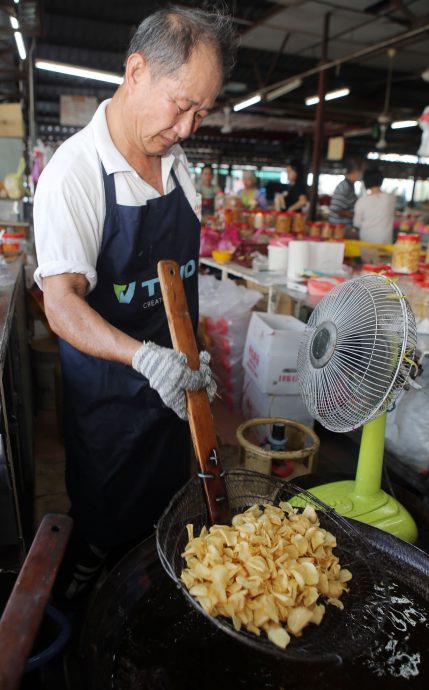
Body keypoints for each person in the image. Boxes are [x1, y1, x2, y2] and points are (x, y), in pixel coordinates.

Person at [33, 6, 236, 600]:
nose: (189, 127)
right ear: (137, 70)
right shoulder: (74, 173)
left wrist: (191, 358)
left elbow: (177, 288)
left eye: (202, 111)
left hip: (175, 400)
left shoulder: (178, 167)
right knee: (103, 533)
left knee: (165, 525)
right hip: (111, 410)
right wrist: (145, 360)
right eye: (181, 105)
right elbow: (60, 303)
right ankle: (79, 613)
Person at [353, 168, 396, 244]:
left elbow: (357, 223)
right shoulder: (391, 199)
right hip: (385, 241)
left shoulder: (362, 201)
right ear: (381, 180)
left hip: (367, 240)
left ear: (366, 181)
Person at [328, 158, 364, 227]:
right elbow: (335, 209)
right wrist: (355, 215)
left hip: (345, 226)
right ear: (355, 171)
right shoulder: (344, 186)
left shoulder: (350, 185)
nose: (362, 174)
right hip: (339, 228)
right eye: (361, 171)